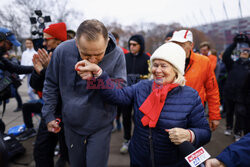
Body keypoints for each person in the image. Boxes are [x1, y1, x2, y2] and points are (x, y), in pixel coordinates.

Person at [76, 42, 211, 166]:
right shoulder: (142, 87)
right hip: (139, 160)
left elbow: (205, 132)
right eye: (155, 65)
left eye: (163, 66)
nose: (157, 70)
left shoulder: (191, 96)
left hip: (174, 163)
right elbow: (116, 96)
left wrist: (189, 134)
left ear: (176, 70)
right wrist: (99, 74)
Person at [42, 19, 127, 167]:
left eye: (99, 54)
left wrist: (98, 77)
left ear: (107, 42)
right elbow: (51, 84)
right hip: (71, 123)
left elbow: (120, 89)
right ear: (76, 43)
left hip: (101, 123)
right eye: (86, 55)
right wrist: (49, 115)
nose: (93, 60)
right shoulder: (62, 51)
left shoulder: (118, 54)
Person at [23, 22, 69, 167]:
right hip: (49, 111)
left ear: (58, 39)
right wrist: (38, 72)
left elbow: (65, 87)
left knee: (66, 154)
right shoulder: (46, 55)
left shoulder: (70, 56)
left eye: (47, 39)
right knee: (41, 151)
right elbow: (36, 85)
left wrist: (47, 71)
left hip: (66, 114)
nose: (43, 42)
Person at [169, 30, 221, 131]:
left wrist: (214, 116)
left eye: (182, 45)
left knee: (193, 143)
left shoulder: (203, 62)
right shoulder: (166, 61)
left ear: (191, 45)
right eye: (175, 44)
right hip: (170, 113)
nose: (178, 48)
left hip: (194, 113)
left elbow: (212, 90)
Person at [119, 34, 149, 154]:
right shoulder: (124, 57)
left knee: (138, 118)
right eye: (130, 44)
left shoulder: (147, 59)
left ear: (140, 45)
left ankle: (138, 141)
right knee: (125, 117)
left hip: (140, 94)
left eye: (134, 45)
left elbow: (149, 77)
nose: (131, 47)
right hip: (126, 93)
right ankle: (126, 139)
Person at [222, 33, 250, 141]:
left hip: (242, 95)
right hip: (230, 92)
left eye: (247, 51)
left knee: (240, 114)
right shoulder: (233, 63)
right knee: (229, 111)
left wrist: (248, 42)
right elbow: (225, 56)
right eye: (243, 51)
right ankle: (229, 127)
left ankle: (237, 131)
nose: (244, 53)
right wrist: (235, 43)